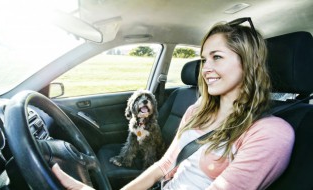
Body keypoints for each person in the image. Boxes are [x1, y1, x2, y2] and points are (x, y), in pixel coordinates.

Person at [52, 17, 295, 190]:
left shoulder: (271, 133)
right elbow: (164, 165)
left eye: (217, 57)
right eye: (203, 59)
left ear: (248, 63)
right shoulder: (196, 111)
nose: (205, 68)